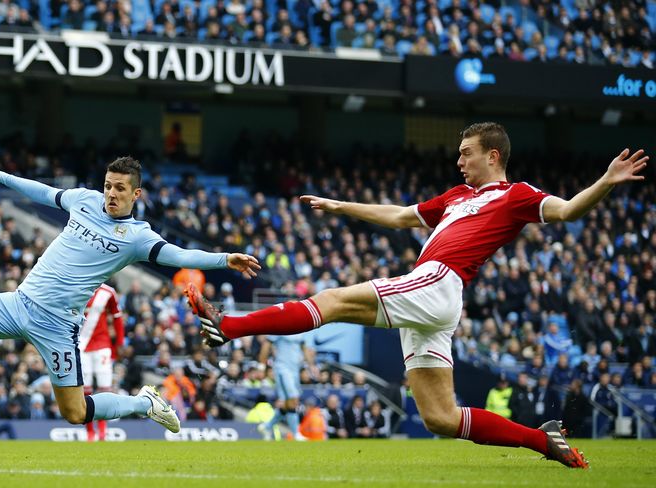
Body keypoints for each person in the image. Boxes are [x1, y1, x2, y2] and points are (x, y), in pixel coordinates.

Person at [187, 122, 649, 468]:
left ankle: (227, 327)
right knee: (441, 418)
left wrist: (605, 182)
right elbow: (401, 216)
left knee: (330, 301)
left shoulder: (516, 195)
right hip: (434, 301)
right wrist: (339, 205)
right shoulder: (453, 197)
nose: (459, 162)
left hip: (439, 279)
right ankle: (542, 440)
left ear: (493, 155)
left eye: (466, 154)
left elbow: (567, 211)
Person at [0, 156, 261, 434]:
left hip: (57, 327)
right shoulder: (84, 200)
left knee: (75, 413)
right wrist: (0, 176)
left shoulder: (138, 237)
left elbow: (180, 255)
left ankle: (143, 402)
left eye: (120, 188)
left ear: (136, 194)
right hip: (17, 304)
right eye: (108, 185)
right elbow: (44, 192)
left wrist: (223, 258)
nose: (111, 194)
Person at [80, 283, 125, 442]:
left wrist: (119, 343)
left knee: (105, 388)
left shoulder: (107, 292)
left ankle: (103, 431)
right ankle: (90, 431)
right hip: (82, 345)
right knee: (86, 390)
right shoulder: (77, 288)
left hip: (102, 345)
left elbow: (117, 317)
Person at [257, 333, 316, 440]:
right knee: (293, 400)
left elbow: (304, 348)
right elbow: (266, 345)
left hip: (295, 371)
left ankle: (267, 426)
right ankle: (296, 434)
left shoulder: (301, 329)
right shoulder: (279, 325)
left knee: (287, 404)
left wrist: (312, 366)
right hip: (282, 369)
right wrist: (261, 366)